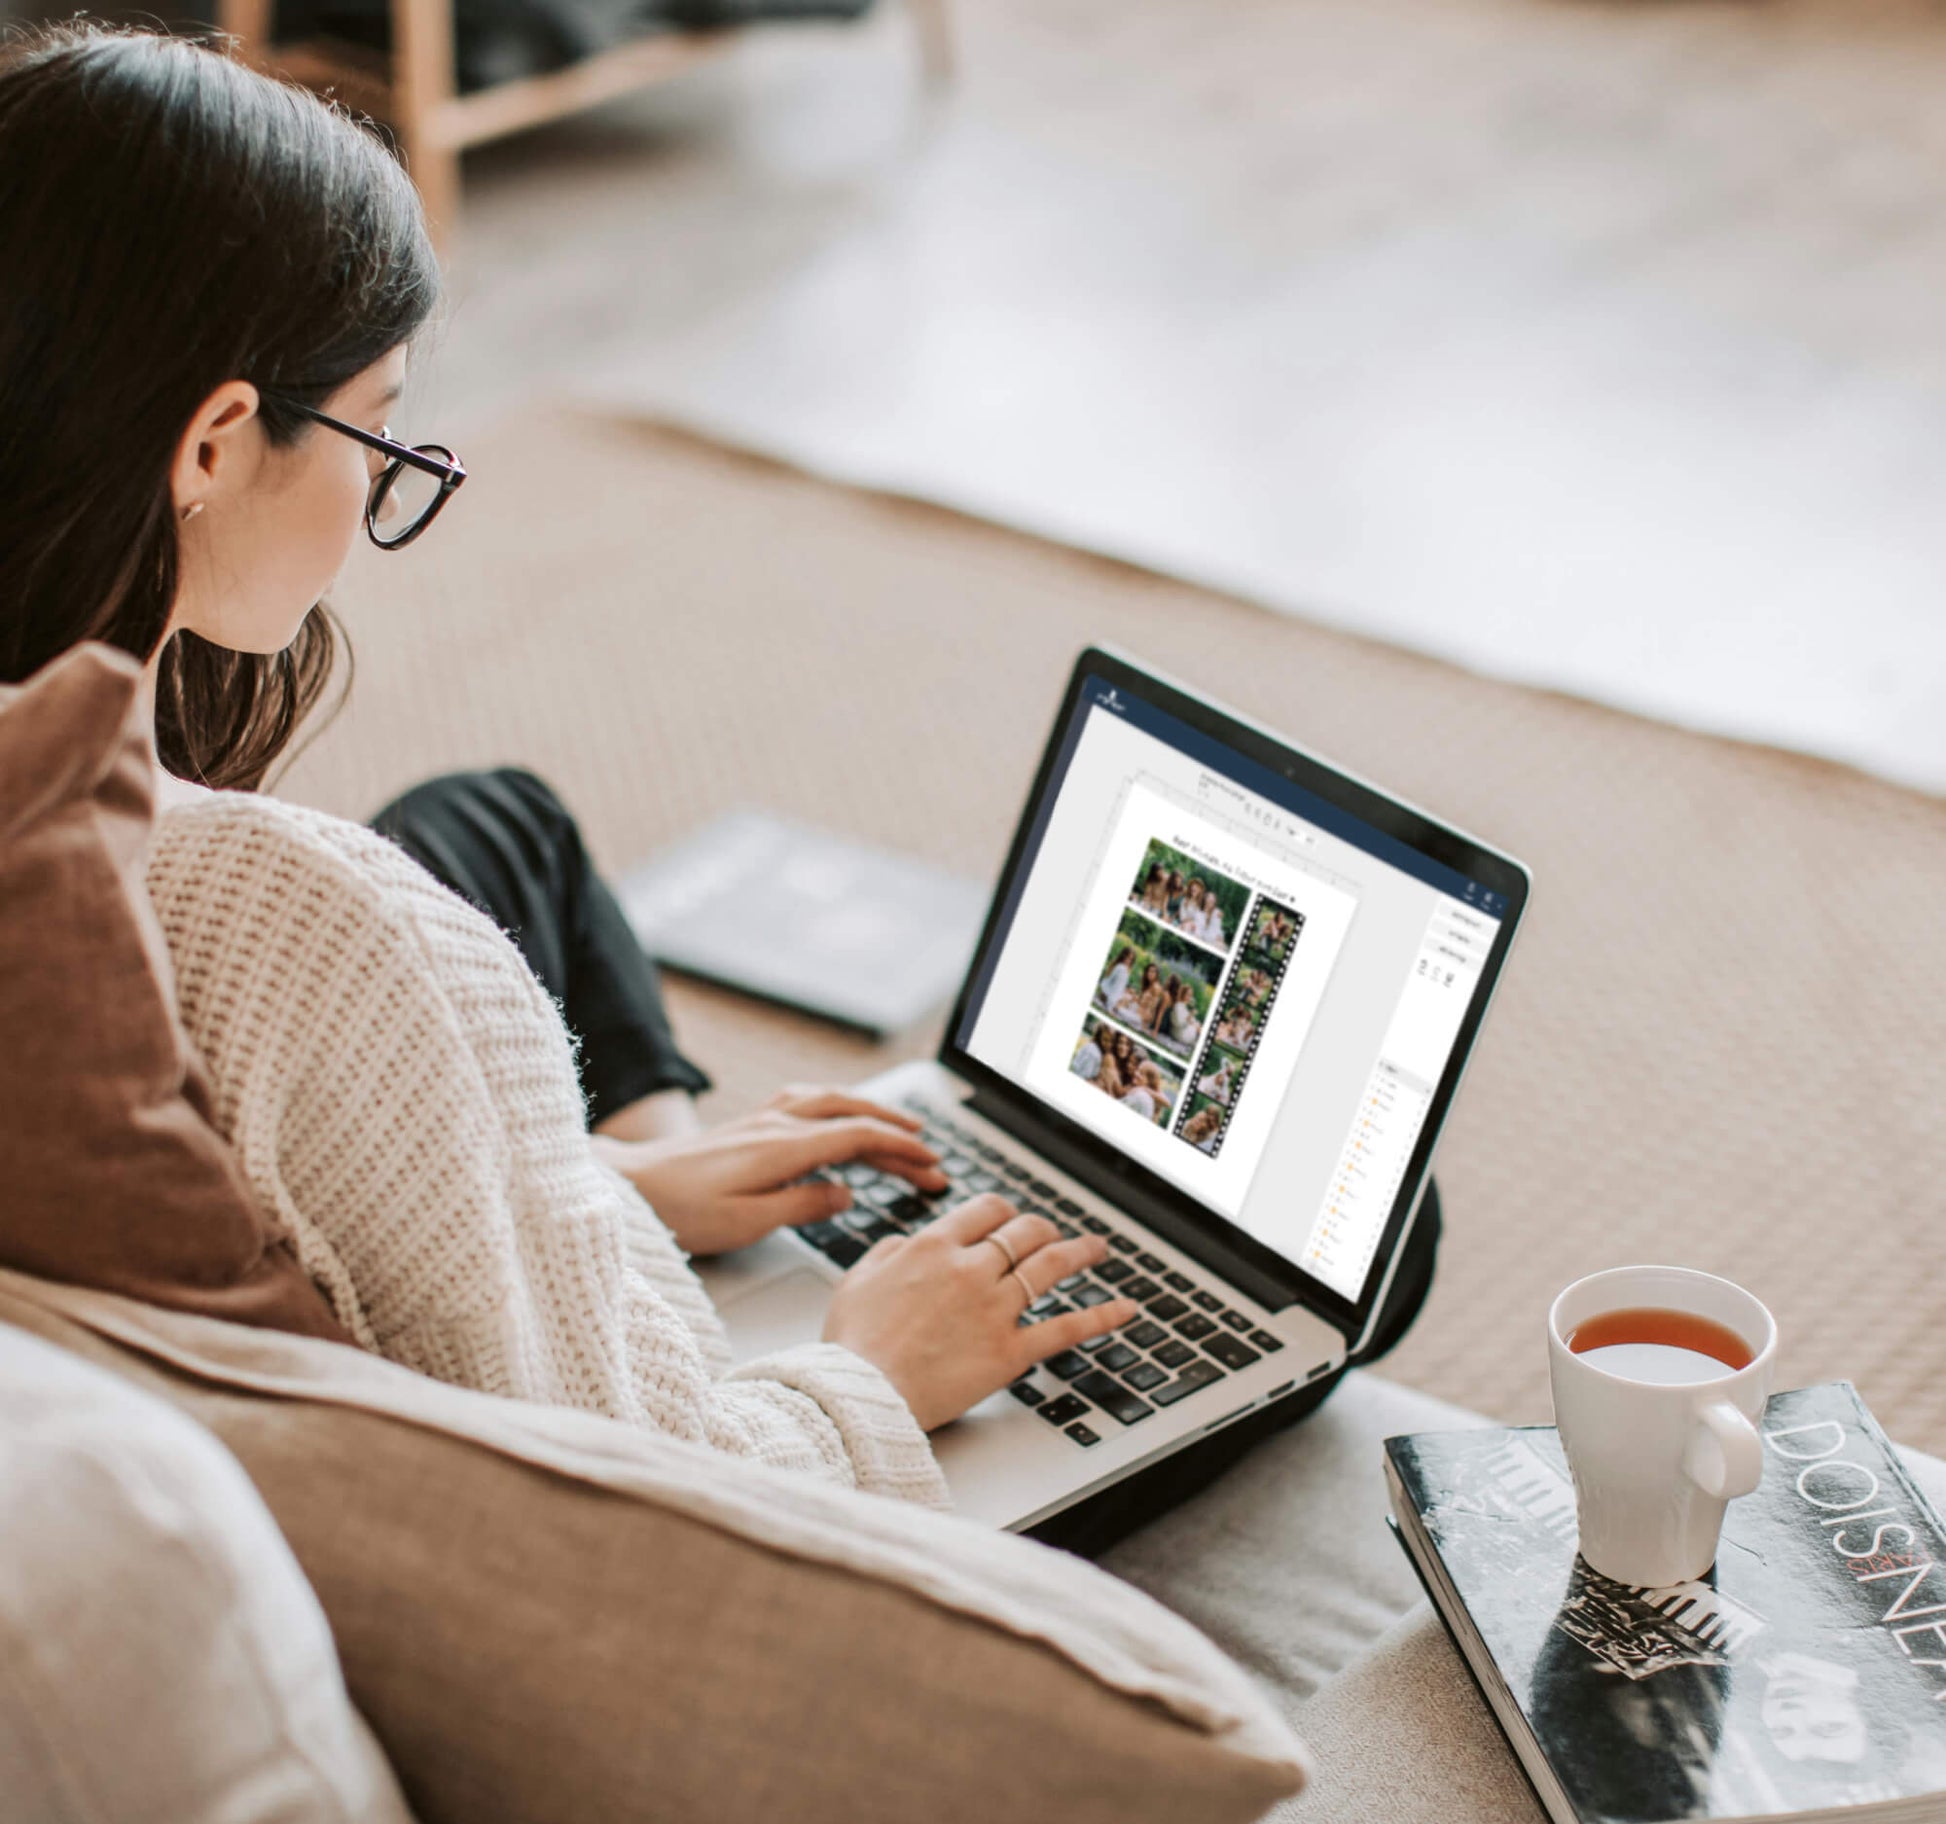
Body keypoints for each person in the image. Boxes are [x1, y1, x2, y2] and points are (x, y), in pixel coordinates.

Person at [0, 25, 1142, 1511]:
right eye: (379, 426)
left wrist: (607, 1196)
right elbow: (639, 1487)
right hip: (666, 1432)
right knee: (1402, 1240)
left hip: (440, 1136)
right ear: (214, 443)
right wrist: (875, 1365)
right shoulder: (310, 924)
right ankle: (639, 1221)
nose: (380, 488)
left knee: (497, 820)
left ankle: (625, 1172)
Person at [1097, 944, 1136, 1014]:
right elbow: (1116, 989)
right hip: (1108, 997)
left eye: (1131, 960)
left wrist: (1127, 990)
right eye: (1128, 958)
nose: (1128, 961)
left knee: (1131, 996)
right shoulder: (1122, 968)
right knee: (1131, 1001)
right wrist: (1110, 1008)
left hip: (1104, 992)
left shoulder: (1118, 965)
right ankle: (1117, 1007)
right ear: (1123, 956)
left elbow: (1113, 983)